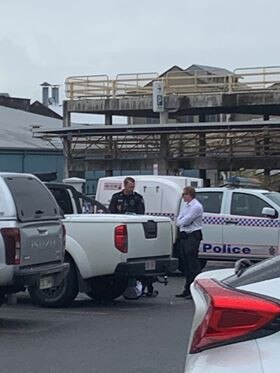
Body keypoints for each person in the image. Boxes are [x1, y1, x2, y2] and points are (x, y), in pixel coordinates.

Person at [109, 177, 156, 297]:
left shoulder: (137, 198)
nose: (132, 189)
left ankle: (147, 287)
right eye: (130, 186)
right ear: (124, 185)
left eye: (133, 186)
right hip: (120, 230)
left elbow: (141, 214)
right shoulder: (116, 197)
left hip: (134, 232)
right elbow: (111, 213)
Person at [175, 186, 203, 299]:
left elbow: (186, 220)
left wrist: (180, 222)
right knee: (185, 264)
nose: (183, 197)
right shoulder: (186, 206)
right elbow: (179, 219)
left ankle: (195, 290)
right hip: (185, 236)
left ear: (189, 195)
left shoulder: (196, 206)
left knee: (193, 264)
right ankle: (187, 289)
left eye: (184, 194)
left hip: (192, 236)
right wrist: (180, 222)